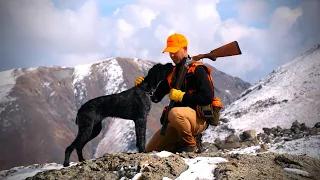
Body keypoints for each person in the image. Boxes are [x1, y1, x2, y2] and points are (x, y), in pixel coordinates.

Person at [134, 33, 221, 153]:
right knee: (149, 151)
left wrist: (182, 96)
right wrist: (142, 89)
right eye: (170, 52)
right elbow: (155, 97)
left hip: (198, 119)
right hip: (177, 122)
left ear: (185, 49)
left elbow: (207, 97)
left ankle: (192, 145)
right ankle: (180, 144)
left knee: (174, 113)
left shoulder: (198, 69)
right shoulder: (173, 73)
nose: (172, 55)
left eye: (174, 51)